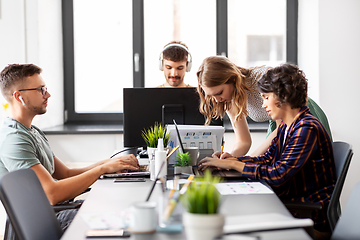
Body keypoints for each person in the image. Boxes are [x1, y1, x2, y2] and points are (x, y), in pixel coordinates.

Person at [0, 64, 140, 235]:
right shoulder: (13, 139)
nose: (48, 94)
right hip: (42, 224)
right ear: (18, 96)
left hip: (54, 214)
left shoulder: (32, 131)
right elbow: (52, 193)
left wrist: (110, 163)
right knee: (118, 220)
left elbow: (65, 173)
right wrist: (102, 169)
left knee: (118, 209)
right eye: (40, 90)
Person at [198, 63, 336, 231]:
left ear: (282, 96)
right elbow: (268, 158)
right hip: (292, 204)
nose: (262, 105)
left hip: (307, 217)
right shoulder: (287, 127)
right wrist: (233, 160)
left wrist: (233, 164)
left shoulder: (306, 128)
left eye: (266, 98)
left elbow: (278, 174)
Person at [196, 56, 332, 157]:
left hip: (299, 116)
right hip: (280, 126)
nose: (217, 100)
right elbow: (243, 141)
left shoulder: (264, 79)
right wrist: (230, 158)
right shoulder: (228, 98)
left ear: (232, 79)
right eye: (211, 96)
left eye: (219, 93)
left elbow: (282, 128)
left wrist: (241, 164)